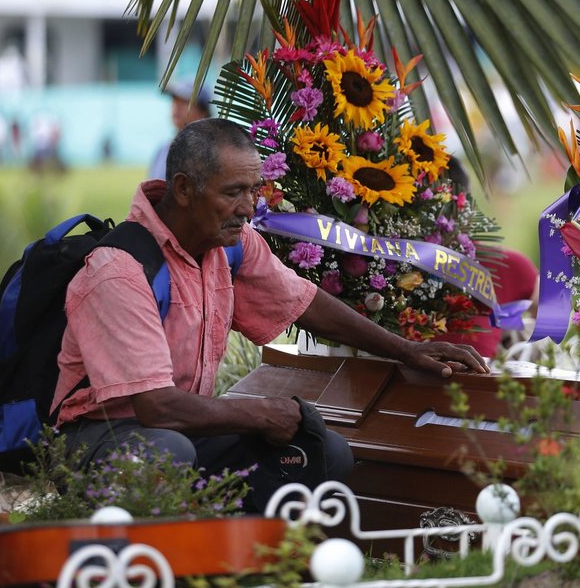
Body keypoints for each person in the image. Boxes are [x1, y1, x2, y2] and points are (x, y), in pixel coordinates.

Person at [53, 118, 488, 512]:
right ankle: (163, 558)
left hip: (182, 428)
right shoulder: (119, 270)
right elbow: (156, 408)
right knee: (166, 454)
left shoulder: (231, 244)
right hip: (104, 438)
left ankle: (248, 556)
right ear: (183, 190)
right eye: (232, 193)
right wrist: (261, 413)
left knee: (324, 453)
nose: (247, 208)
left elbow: (306, 303)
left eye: (253, 191)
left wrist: (407, 350)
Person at [433, 157, 539, 358]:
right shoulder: (385, 265)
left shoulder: (507, 265)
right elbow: (552, 312)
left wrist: (517, 340)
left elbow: (549, 312)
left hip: (477, 387)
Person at [148, 80, 213, 180]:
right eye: (174, 100)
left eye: (184, 102)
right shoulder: (163, 150)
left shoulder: (213, 151)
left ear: (203, 110)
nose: (176, 107)